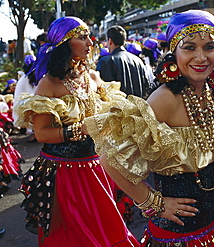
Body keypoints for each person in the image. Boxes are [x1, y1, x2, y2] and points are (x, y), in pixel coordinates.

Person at [85, 9, 214, 246]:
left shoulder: (213, 94)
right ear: (174, 51)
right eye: (189, 47)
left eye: (209, 47)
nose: (201, 58)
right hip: (177, 234)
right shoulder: (166, 98)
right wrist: (152, 203)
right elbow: (109, 158)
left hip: (213, 223)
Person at [14, 16, 138, 246]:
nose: (90, 42)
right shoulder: (49, 84)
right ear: (63, 44)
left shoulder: (91, 77)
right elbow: (41, 133)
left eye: (89, 36)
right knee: (77, 235)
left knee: (108, 228)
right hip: (65, 174)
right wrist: (79, 130)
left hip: (97, 165)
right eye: (82, 37)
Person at [96, 25, 150, 99]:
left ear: (110, 41)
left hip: (117, 109)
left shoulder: (105, 62)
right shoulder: (138, 60)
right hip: (138, 107)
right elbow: (146, 87)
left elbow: (103, 92)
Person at [13, 55, 37, 142]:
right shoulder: (30, 78)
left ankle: (33, 132)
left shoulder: (25, 78)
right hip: (31, 103)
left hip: (26, 103)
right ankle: (34, 133)